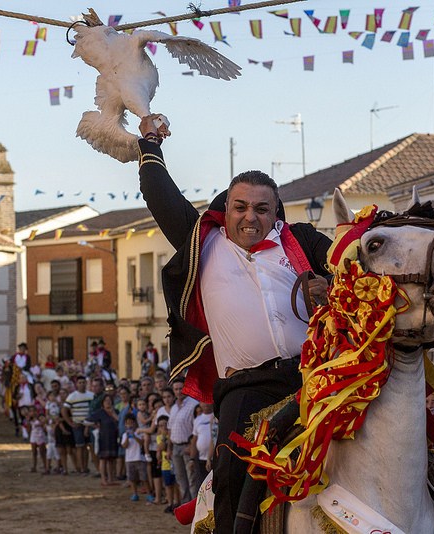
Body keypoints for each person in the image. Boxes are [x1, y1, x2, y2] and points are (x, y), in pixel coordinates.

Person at [137, 114, 332, 532]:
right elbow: (159, 195)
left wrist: (330, 286)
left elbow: (350, 267)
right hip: (246, 389)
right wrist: (150, 139)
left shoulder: (302, 239)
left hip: (316, 378)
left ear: (275, 211)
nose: (250, 217)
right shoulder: (204, 242)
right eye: (240, 207)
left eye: (262, 209)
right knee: (231, 473)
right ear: (226, 211)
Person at [168, 377, 199, 505]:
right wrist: (169, 448)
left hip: (188, 446)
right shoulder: (174, 407)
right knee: (180, 478)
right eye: (176, 389)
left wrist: (192, 447)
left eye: (181, 388)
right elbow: (170, 429)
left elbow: (196, 428)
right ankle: (186, 505)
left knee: (192, 478)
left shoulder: (193, 405)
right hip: (175, 446)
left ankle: (194, 507)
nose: (179, 391)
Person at [85, 394, 119, 486]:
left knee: (111, 459)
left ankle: (111, 479)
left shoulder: (115, 411)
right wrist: (95, 425)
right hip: (103, 438)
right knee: (103, 459)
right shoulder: (99, 412)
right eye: (105, 401)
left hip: (113, 438)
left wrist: (114, 414)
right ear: (102, 403)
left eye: (109, 400)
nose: (108, 402)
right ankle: (104, 479)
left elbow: (120, 422)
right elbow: (86, 421)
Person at [63, 375, 94, 474]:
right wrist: (70, 423)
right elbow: (64, 410)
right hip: (78, 424)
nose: (82, 384)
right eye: (79, 382)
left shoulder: (91, 395)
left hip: (88, 424)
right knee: (80, 446)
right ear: (76, 384)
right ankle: (81, 468)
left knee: (88, 446)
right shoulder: (72, 396)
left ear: (86, 383)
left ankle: (85, 467)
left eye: (83, 382)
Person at [189, 401, 215, 498]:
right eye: (203, 402)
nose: (205, 404)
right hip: (201, 458)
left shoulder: (216, 417)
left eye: (207, 401)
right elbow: (194, 440)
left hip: (214, 457)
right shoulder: (197, 420)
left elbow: (214, 437)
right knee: (202, 484)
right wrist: (192, 458)